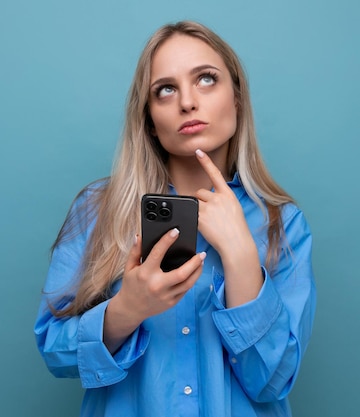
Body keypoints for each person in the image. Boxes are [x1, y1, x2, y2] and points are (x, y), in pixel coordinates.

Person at [34, 20, 316, 417]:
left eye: (206, 79)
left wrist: (239, 255)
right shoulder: (98, 210)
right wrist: (126, 309)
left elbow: (272, 381)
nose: (187, 102)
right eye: (165, 89)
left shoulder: (282, 225)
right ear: (149, 118)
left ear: (236, 97)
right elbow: (55, 352)